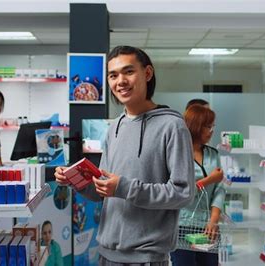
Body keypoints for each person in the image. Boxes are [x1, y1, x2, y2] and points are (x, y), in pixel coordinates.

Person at [55, 45, 195, 265]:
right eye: (113, 75)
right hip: (106, 254)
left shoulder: (172, 126)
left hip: (146, 258)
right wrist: (75, 180)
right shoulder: (115, 127)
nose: (120, 81)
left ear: (147, 74)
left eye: (128, 72)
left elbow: (183, 193)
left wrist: (124, 187)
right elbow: (102, 190)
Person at [170, 104, 226, 266]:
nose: (212, 130)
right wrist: (210, 179)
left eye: (212, 126)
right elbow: (179, 192)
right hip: (181, 225)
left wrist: (214, 220)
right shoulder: (177, 155)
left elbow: (219, 189)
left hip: (208, 227)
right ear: (196, 127)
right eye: (208, 126)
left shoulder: (213, 154)